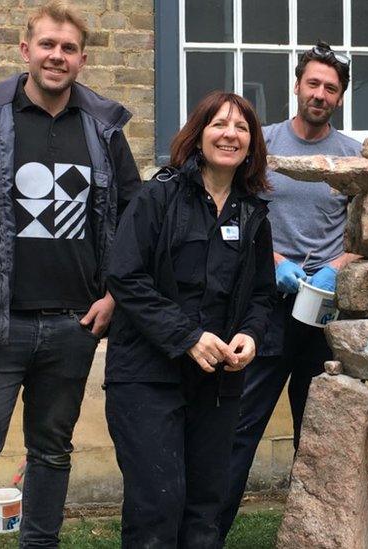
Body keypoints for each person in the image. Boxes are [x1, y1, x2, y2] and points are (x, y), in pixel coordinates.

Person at [0, 2, 142, 546]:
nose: (56, 56)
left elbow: (136, 223)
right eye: (47, 45)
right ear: (25, 51)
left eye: (67, 48)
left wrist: (113, 297)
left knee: (51, 454)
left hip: (72, 326)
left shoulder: (104, 132)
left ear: (81, 59)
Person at [103, 91, 276, 548]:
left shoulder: (253, 211)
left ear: (252, 145)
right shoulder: (157, 196)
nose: (230, 135)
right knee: (157, 504)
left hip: (218, 382)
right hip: (147, 377)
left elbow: (262, 293)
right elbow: (125, 276)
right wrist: (187, 337)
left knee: (206, 508)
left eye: (242, 128)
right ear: (198, 135)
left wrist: (250, 335)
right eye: (219, 124)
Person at [218, 41, 362, 541]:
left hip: (326, 312)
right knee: (239, 428)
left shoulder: (354, 157)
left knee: (320, 432)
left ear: (339, 97)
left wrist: (335, 269)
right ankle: (207, 533)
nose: (320, 94)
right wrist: (272, 260)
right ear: (297, 85)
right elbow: (234, 214)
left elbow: (366, 236)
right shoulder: (262, 144)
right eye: (313, 83)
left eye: (331, 88)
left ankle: (318, 534)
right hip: (265, 308)